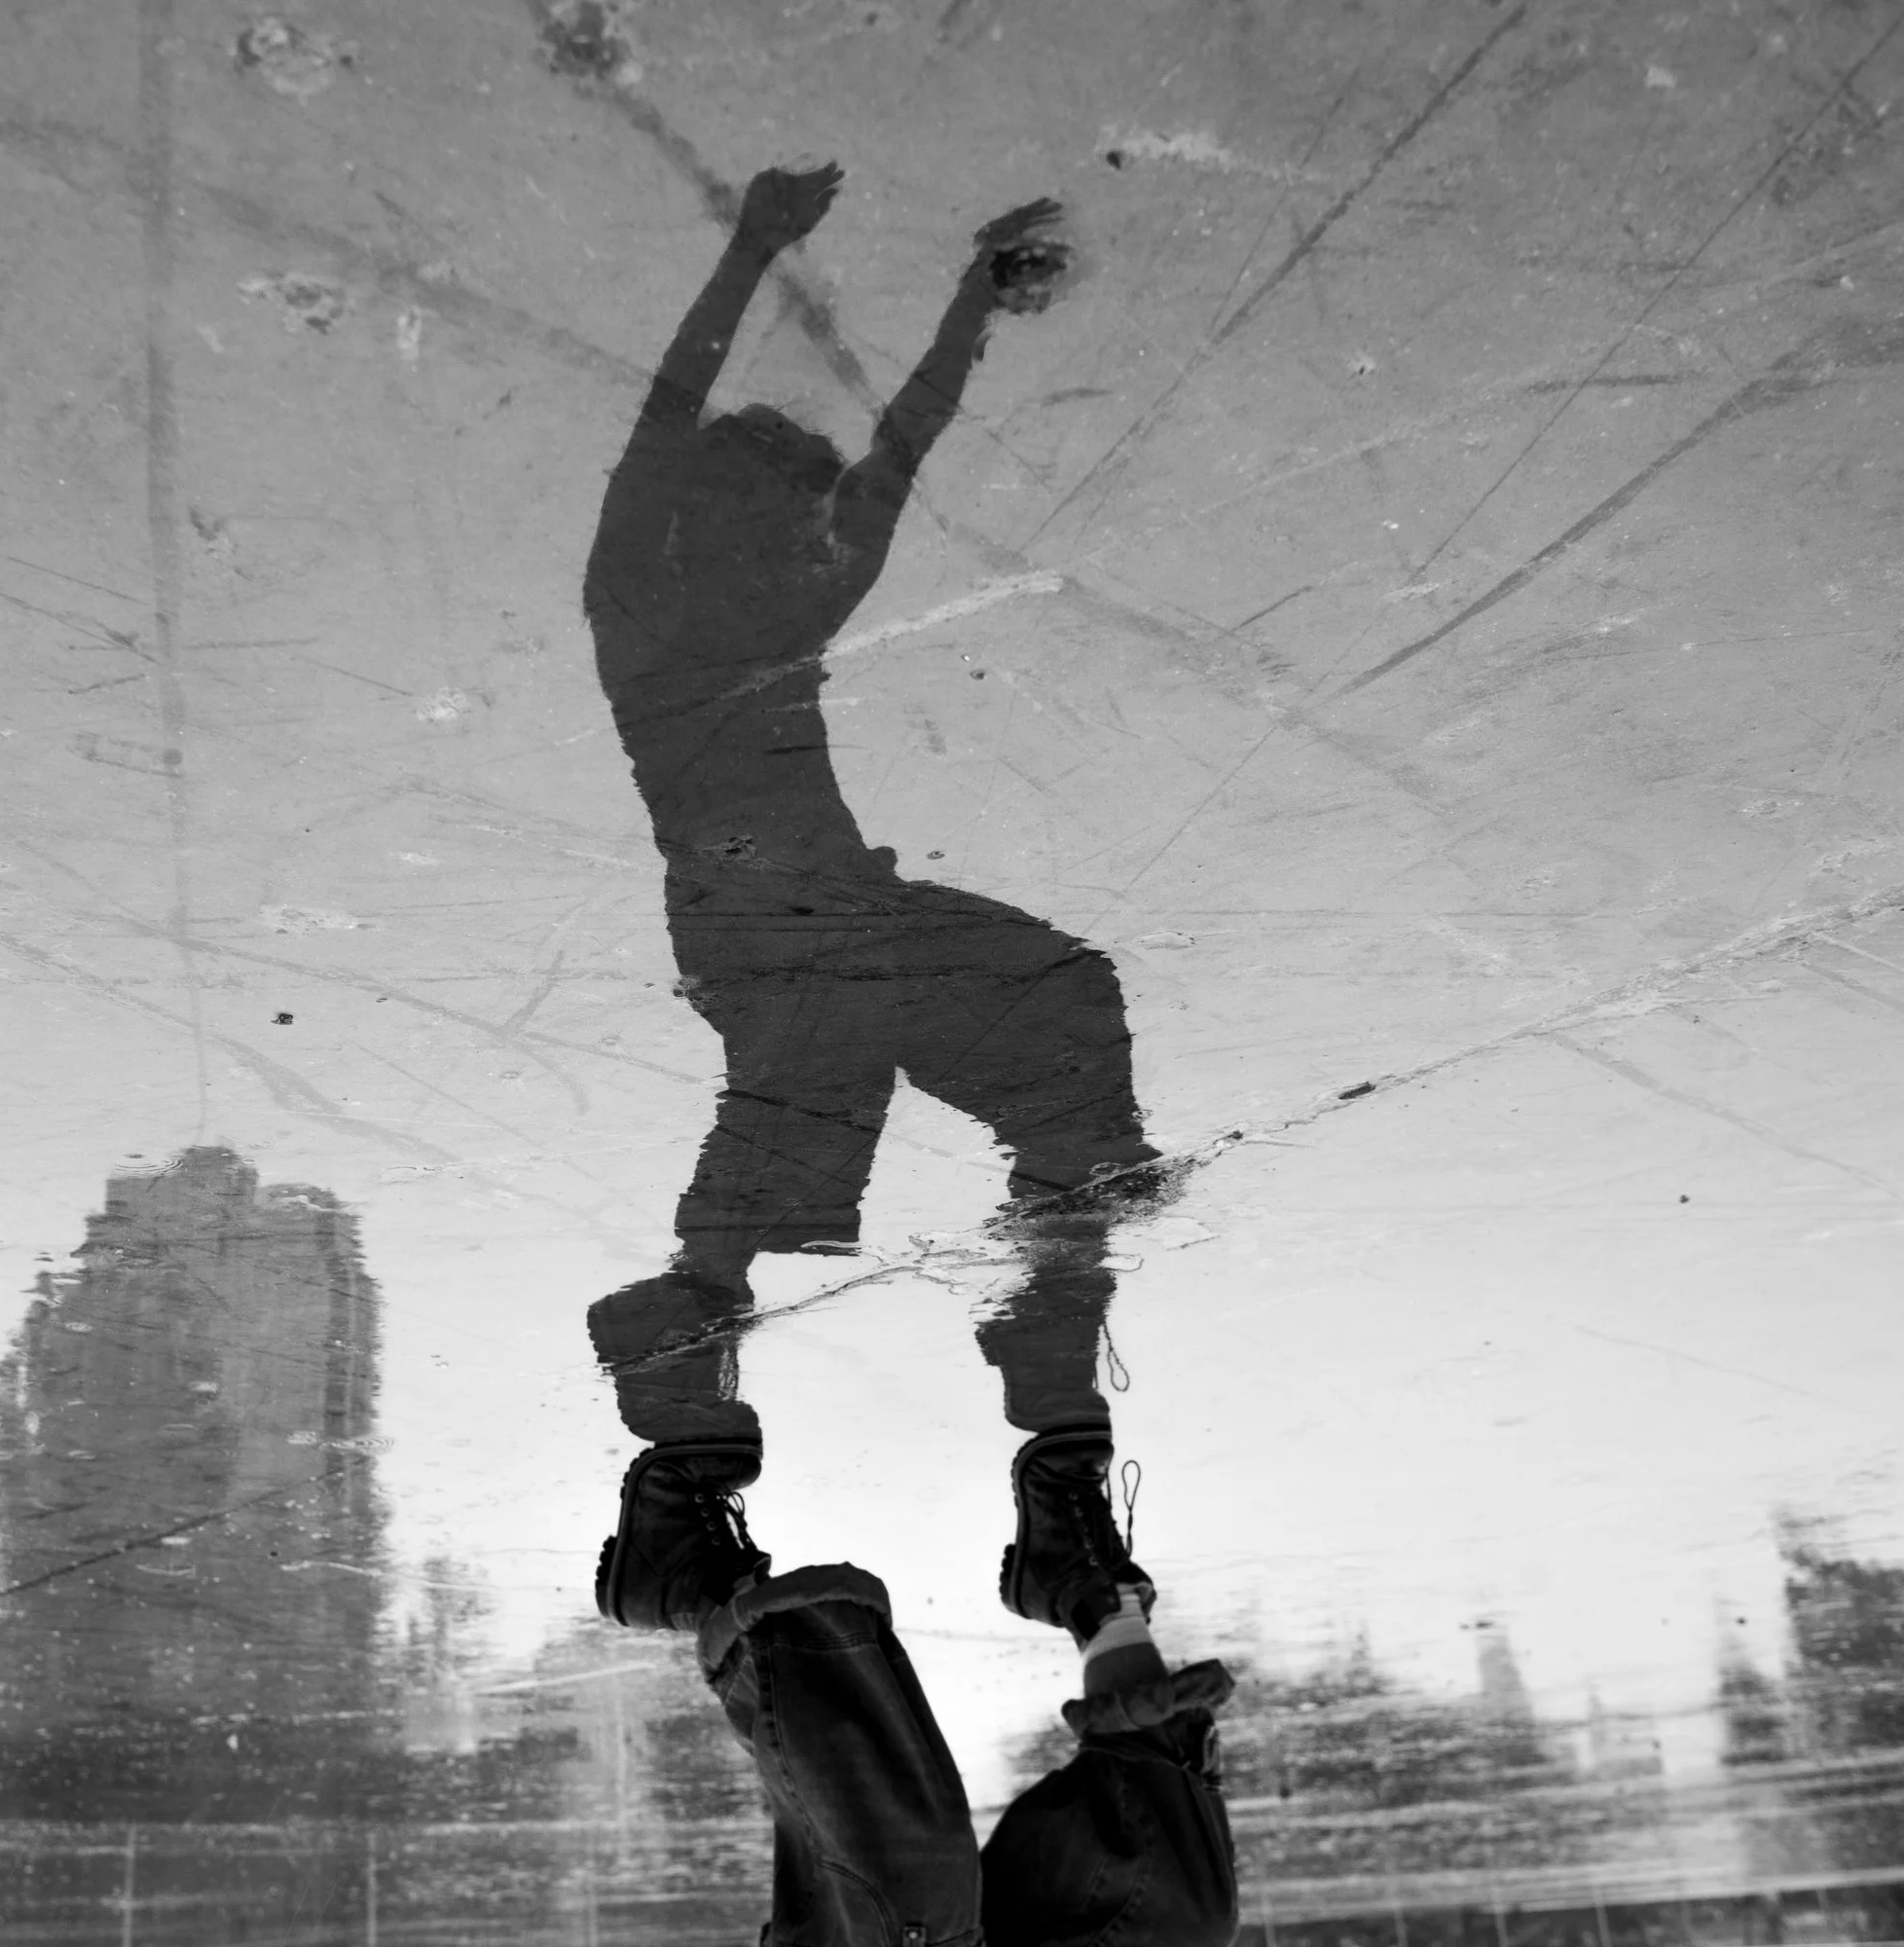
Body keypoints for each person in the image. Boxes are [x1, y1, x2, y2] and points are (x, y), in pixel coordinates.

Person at [580, 165, 1238, 1947]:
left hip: (836, 917)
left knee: (1057, 995)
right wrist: (748, 257)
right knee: (805, 1093)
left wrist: (943, 301)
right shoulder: (637, 609)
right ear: (725, 516)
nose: (814, 540)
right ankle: (713, 1459)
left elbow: (894, 463)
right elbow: (680, 435)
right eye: (782, 512)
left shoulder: (779, 596)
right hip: (769, 932)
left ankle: (1034, 1283)